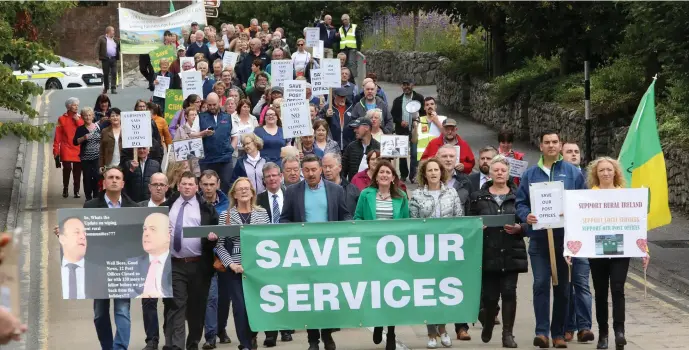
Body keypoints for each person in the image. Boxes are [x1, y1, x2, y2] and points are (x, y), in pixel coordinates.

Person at [515, 130, 587, 348]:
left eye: (555, 142)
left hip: (565, 241)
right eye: (547, 142)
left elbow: (582, 200)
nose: (551, 146)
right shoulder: (530, 174)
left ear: (560, 145)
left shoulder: (573, 173)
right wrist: (525, 215)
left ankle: (558, 333)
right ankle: (542, 332)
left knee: (563, 288)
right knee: (540, 283)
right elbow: (520, 202)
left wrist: (571, 211)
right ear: (540, 146)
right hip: (538, 240)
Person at [280, 155, 349, 350]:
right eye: (307, 170)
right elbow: (284, 219)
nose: (310, 173)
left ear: (321, 170)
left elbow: (345, 215)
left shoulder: (335, 190)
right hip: (305, 253)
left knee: (326, 296)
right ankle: (313, 340)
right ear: (302, 171)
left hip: (330, 252)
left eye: (314, 169)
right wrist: (297, 230)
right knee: (310, 298)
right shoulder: (293, 192)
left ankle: (327, 336)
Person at [584, 157, 649, 350]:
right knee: (601, 292)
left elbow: (637, 225)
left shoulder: (626, 195)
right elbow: (579, 225)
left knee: (618, 289)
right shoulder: (588, 197)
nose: (605, 173)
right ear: (596, 174)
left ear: (615, 173)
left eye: (609, 170)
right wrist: (571, 249)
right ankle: (603, 334)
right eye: (601, 170)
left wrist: (644, 249)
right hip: (597, 250)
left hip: (621, 249)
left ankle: (619, 332)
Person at [469, 155, 527, 348]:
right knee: (490, 296)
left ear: (508, 173)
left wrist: (521, 228)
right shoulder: (478, 196)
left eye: (503, 170)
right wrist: (477, 228)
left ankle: (507, 334)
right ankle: (487, 323)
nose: (500, 173)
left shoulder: (519, 195)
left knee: (509, 292)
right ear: (490, 173)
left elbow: (528, 220)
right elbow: (469, 221)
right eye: (496, 170)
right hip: (488, 251)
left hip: (512, 250)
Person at [353, 159, 409, 350]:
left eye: (388, 172)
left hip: (394, 253)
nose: (384, 175)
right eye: (381, 172)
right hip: (371, 251)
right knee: (376, 291)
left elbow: (406, 224)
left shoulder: (401, 196)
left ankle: (391, 332)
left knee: (392, 292)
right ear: (376, 177)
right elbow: (357, 218)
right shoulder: (366, 195)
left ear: (393, 177)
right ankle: (378, 324)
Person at [161, 171, 219, 350]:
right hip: (175, 263)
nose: (187, 187)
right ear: (178, 186)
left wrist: (212, 239)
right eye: (183, 184)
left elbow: (216, 234)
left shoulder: (207, 209)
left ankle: (193, 342)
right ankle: (177, 345)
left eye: (190, 184)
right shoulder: (167, 206)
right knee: (177, 304)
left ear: (196, 187)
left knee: (196, 306)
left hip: (198, 264)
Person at [408, 158, 462, 348]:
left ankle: (443, 328)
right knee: (429, 292)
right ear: (424, 174)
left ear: (441, 172)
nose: (433, 173)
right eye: (429, 170)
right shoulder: (416, 195)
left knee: (444, 291)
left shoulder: (452, 193)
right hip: (425, 251)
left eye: (436, 170)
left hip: (447, 250)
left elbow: (459, 220)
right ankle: (431, 332)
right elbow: (412, 225)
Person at [86, 166, 140, 349]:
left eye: (118, 177)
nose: (114, 180)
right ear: (104, 182)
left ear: (123, 183)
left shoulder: (134, 208)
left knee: (122, 311)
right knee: (100, 314)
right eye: (111, 177)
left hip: (123, 268)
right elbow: (82, 235)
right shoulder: (91, 206)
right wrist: (64, 232)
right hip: (99, 268)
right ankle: (107, 347)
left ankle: (120, 347)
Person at [215, 177, 270, 350]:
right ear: (234, 194)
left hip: (257, 269)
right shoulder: (226, 215)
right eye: (240, 189)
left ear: (253, 192)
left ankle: (252, 336)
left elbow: (268, 242)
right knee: (240, 308)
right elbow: (220, 246)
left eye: (247, 188)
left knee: (255, 307)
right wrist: (231, 265)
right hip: (235, 269)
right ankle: (244, 343)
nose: (244, 191)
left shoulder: (262, 214)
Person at [254, 162, 293, 344]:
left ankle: (286, 329)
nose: (272, 179)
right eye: (268, 176)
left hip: (289, 249)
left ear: (281, 176)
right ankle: (271, 333)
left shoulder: (292, 195)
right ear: (263, 180)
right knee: (269, 292)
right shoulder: (258, 200)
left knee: (286, 290)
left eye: (275, 175)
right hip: (266, 253)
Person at [560, 141, 594, 344]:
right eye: (569, 152)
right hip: (561, 237)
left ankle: (584, 327)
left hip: (582, 240)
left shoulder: (588, 179)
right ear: (561, 155)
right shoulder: (557, 176)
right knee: (566, 284)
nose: (573, 155)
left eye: (576, 152)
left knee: (581, 283)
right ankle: (568, 326)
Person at [198, 170, 231, 350]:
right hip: (204, 256)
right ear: (200, 185)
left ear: (218, 184)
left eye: (212, 184)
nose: (209, 188)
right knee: (211, 297)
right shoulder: (194, 204)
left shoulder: (227, 204)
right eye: (205, 184)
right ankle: (210, 335)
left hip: (225, 255)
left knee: (224, 298)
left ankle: (221, 329)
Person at [138, 173, 168, 350]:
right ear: (149, 187)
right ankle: (152, 340)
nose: (158, 187)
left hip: (169, 262)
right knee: (148, 302)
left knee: (170, 303)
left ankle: (170, 338)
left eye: (162, 184)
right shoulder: (139, 208)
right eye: (155, 184)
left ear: (167, 187)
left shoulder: (174, 207)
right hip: (147, 262)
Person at [58, 216, 104, 299]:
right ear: (62, 238)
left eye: (84, 233)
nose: (82, 237)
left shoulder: (101, 272)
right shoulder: (51, 270)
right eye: (76, 232)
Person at [129, 213, 172, 298]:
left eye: (153, 229)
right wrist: (141, 296)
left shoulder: (175, 262)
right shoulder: (132, 263)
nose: (146, 233)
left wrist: (163, 295)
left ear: (168, 236)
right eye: (145, 229)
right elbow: (125, 291)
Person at [199, 93, 236, 194]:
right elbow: (192, 135)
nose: (212, 107)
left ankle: (225, 208)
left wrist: (231, 149)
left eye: (214, 104)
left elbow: (235, 135)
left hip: (225, 159)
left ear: (219, 102)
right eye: (209, 105)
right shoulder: (200, 117)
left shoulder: (228, 117)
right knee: (207, 186)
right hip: (207, 159)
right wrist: (203, 133)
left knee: (226, 185)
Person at [54, 97, 84, 198]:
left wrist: (78, 121)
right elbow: (57, 137)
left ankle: (76, 191)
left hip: (78, 148)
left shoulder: (80, 118)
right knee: (66, 168)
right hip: (66, 147)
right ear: (69, 106)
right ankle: (65, 188)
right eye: (74, 105)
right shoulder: (61, 119)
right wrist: (56, 153)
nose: (76, 107)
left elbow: (84, 130)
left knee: (77, 171)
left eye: (77, 105)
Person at [73, 107, 101, 201]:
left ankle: (96, 197)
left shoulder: (98, 127)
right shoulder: (80, 129)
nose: (88, 117)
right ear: (82, 117)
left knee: (97, 176)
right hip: (86, 158)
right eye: (85, 115)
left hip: (97, 157)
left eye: (89, 115)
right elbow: (75, 142)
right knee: (87, 178)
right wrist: (83, 138)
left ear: (93, 116)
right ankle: (88, 198)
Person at [436, 145, 473, 216]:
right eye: (444, 156)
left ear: (456, 159)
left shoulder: (466, 181)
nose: (448, 159)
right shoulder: (430, 180)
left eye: (451, 156)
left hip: (459, 225)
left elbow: (471, 208)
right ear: (437, 159)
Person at [335, 14, 362, 78]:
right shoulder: (340, 29)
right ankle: (342, 77)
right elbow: (339, 40)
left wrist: (358, 49)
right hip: (343, 48)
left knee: (351, 63)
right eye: (343, 20)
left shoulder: (354, 27)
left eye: (346, 19)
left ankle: (352, 78)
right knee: (342, 63)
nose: (344, 21)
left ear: (349, 19)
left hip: (352, 48)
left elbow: (358, 38)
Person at [95, 26, 119, 94]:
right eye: (113, 31)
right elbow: (97, 48)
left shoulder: (115, 40)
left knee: (114, 73)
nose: (114, 32)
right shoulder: (102, 38)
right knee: (106, 74)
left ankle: (113, 88)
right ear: (108, 31)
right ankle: (106, 88)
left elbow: (119, 47)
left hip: (113, 58)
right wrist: (97, 58)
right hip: (105, 59)